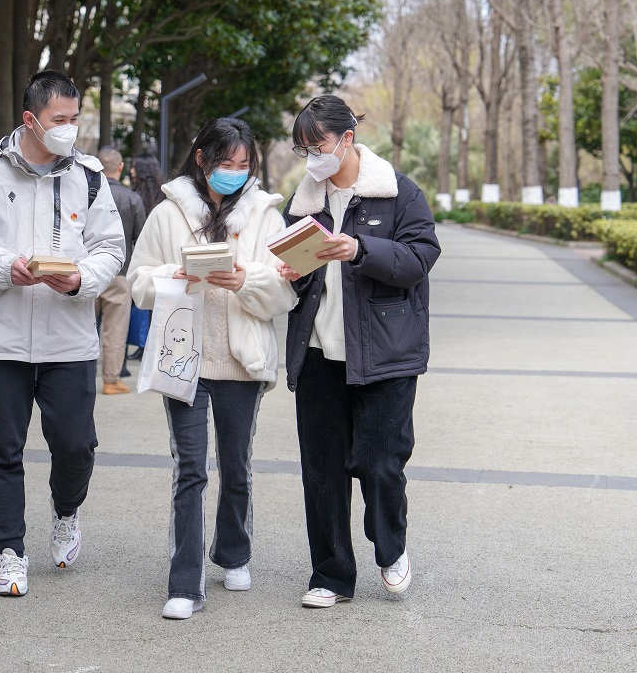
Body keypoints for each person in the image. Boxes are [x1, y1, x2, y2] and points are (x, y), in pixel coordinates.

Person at [0, 70, 125, 598]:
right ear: (30, 120)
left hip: (68, 340)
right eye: (58, 120)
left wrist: (80, 279)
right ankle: (11, 552)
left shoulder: (89, 176)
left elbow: (111, 247)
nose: (70, 129)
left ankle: (66, 512)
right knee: (3, 448)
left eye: (74, 119)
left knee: (76, 446)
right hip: (2, 339)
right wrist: (3, 266)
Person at [128, 117, 296, 620]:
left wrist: (244, 279)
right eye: (226, 163)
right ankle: (185, 584)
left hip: (243, 361)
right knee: (189, 470)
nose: (236, 174)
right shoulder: (166, 214)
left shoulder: (267, 215)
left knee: (237, 465)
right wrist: (172, 275)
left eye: (244, 165)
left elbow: (284, 292)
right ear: (201, 159)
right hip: (185, 359)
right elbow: (137, 283)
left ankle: (234, 552)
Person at [279, 95, 440, 608]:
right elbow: (291, 274)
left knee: (380, 463)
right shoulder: (303, 203)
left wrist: (361, 249)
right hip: (319, 353)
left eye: (318, 144)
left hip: (386, 356)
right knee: (321, 469)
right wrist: (288, 273)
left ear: (346, 139)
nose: (312, 156)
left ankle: (390, 547)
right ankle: (330, 574)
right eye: (303, 148)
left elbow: (420, 256)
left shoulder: (398, 194)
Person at [94, 147, 146, 395]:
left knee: (80, 326)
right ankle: (111, 379)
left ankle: (79, 376)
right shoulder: (132, 198)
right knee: (115, 329)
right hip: (119, 271)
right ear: (121, 167)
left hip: (86, 271)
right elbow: (140, 237)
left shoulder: (86, 194)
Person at [126, 154, 167, 360]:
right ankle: (145, 345)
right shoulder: (159, 197)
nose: (131, 171)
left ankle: (144, 345)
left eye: (134, 167)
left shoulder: (140, 197)